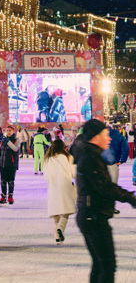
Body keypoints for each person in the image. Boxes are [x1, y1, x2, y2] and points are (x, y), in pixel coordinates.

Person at [72, 119, 136, 283]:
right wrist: (129, 197)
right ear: (96, 135)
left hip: (91, 214)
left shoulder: (91, 153)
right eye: (105, 134)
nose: (108, 138)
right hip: (94, 216)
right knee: (107, 265)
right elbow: (104, 187)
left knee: (100, 265)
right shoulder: (90, 156)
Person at [43, 139, 76, 245]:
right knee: (66, 209)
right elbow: (74, 173)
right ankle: (61, 228)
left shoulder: (48, 159)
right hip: (65, 185)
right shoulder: (68, 157)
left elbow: (46, 176)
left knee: (56, 212)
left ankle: (57, 237)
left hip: (53, 186)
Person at [0, 125, 19, 206]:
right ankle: (3, 197)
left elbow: (15, 148)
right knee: (3, 181)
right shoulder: (3, 140)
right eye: (7, 130)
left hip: (12, 164)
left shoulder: (16, 140)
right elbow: (0, 152)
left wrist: (8, 141)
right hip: (3, 164)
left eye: (10, 130)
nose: (8, 132)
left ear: (13, 131)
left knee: (11, 181)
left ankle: (10, 196)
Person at [104, 124, 128, 188]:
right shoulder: (120, 136)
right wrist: (122, 160)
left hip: (102, 162)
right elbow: (125, 148)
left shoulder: (102, 137)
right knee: (113, 183)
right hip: (114, 162)